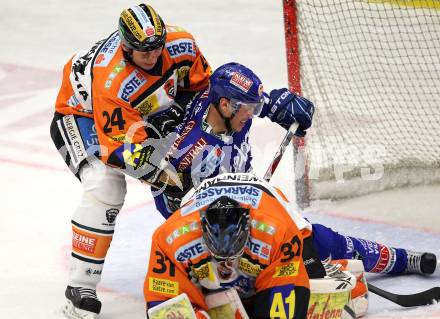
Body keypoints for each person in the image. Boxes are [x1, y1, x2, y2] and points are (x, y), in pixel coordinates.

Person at [151, 62, 436, 281]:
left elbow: (266, 103)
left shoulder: (228, 107)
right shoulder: (189, 150)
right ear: (225, 105)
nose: (252, 114)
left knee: (315, 239)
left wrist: (282, 105)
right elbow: (165, 197)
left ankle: (400, 259)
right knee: (236, 275)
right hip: (212, 229)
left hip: (247, 202)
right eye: (247, 109)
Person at [49, 3, 211, 318]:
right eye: (142, 51)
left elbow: (201, 91)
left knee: (197, 165)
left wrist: (178, 118)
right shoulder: (111, 80)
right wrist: (167, 179)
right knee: (105, 185)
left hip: (138, 111)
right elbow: (124, 154)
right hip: (81, 116)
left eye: (156, 48)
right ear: (126, 47)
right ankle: (79, 287)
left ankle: (204, 264)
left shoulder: (182, 45)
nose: (152, 56)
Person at [145, 173, 365, 319]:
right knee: (209, 298)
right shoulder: (168, 238)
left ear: (248, 229)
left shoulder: (278, 228)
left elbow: (282, 303)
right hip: (203, 195)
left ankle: (398, 259)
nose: (227, 264)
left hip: (268, 199)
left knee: (319, 257)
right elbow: (163, 302)